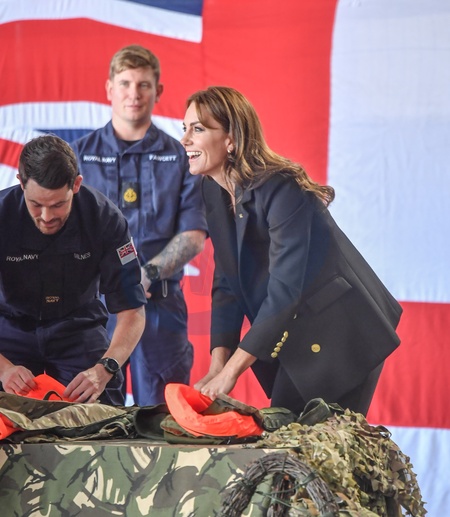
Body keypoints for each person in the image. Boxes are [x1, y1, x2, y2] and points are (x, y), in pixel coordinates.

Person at [181, 86, 403, 416]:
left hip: (343, 331)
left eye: (197, 129)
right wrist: (218, 365)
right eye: (184, 128)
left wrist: (232, 372)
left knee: (311, 442)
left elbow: (285, 291)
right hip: (295, 331)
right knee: (290, 434)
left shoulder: (281, 187)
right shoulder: (212, 189)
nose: (185, 139)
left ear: (231, 139)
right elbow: (228, 281)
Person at [72, 45, 207, 406]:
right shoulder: (78, 155)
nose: (134, 94)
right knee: (94, 416)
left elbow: (193, 235)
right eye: (125, 83)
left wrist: (144, 276)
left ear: (158, 91)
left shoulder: (181, 156)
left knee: (161, 416)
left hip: (159, 307)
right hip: (94, 312)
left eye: (144, 85)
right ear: (109, 89)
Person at [0, 134, 146, 405]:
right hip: (9, 328)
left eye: (58, 205)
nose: (46, 217)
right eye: (36, 205)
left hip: (76, 327)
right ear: (20, 183)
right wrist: (4, 369)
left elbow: (132, 310)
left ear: (76, 185)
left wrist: (106, 368)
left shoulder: (105, 218)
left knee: (103, 405)